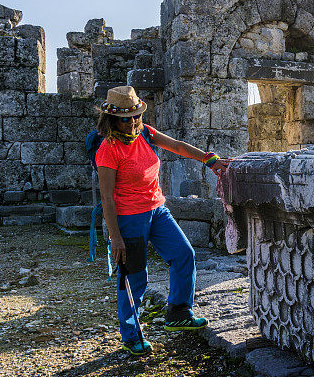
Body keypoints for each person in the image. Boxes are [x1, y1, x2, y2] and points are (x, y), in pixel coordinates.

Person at [95, 86, 230, 356]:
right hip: (128, 218)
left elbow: (177, 146)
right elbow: (107, 199)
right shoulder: (108, 149)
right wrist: (115, 237)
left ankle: (179, 313)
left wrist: (209, 159)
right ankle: (131, 335)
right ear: (112, 120)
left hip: (157, 210)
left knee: (183, 254)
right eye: (125, 118)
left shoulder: (145, 133)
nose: (132, 122)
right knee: (134, 278)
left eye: (136, 115)